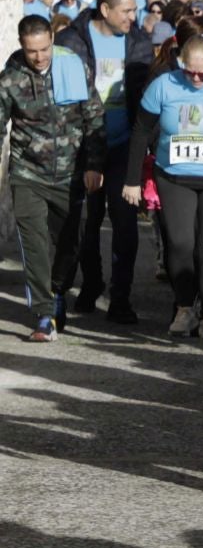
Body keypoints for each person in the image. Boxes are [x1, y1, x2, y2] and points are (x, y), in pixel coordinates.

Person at [124, 35, 203, 339]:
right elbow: (141, 130)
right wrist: (132, 181)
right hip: (173, 176)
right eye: (189, 71)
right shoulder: (165, 85)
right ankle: (184, 307)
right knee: (180, 243)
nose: (195, 78)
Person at [1, 17, 104, 341]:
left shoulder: (72, 67)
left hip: (71, 173)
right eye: (32, 51)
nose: (39, 57)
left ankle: (57, 290)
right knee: (34, 244)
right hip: (27, 172)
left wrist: (94, 165)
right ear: (22, 45)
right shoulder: (10, 79)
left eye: (44, 48)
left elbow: (94, 118)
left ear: (51, 42)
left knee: (70, 243)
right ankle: (44, 315)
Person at [57, 0, 152, 324]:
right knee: (86, 221)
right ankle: (91, 282)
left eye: (134, 10)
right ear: (105, 9)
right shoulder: (71, 41)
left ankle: (121, 297)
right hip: (82, 146)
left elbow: (145, 98)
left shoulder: (138, 42)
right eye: (126, 11)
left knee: (124, 223)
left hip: (124, 145)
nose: (133, 16)